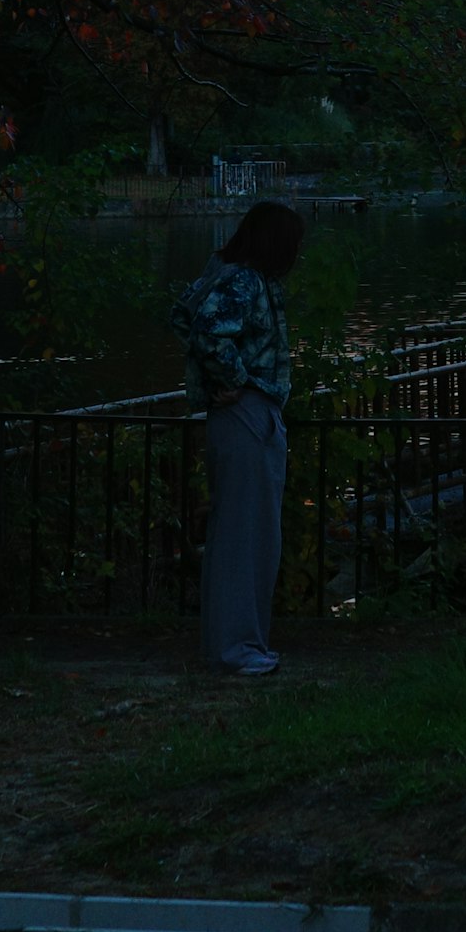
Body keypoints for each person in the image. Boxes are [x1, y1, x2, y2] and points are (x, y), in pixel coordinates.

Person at [173, 201, 302, 675]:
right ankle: (238, 650)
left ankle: (231, 644)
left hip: (244, 414)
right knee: (247, 533)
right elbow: (205, 328)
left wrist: (223, 381)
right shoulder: (245, 280)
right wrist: (234, 378)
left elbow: (184, 314)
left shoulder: (227, 272)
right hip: (249, 413)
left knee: (239, 531)